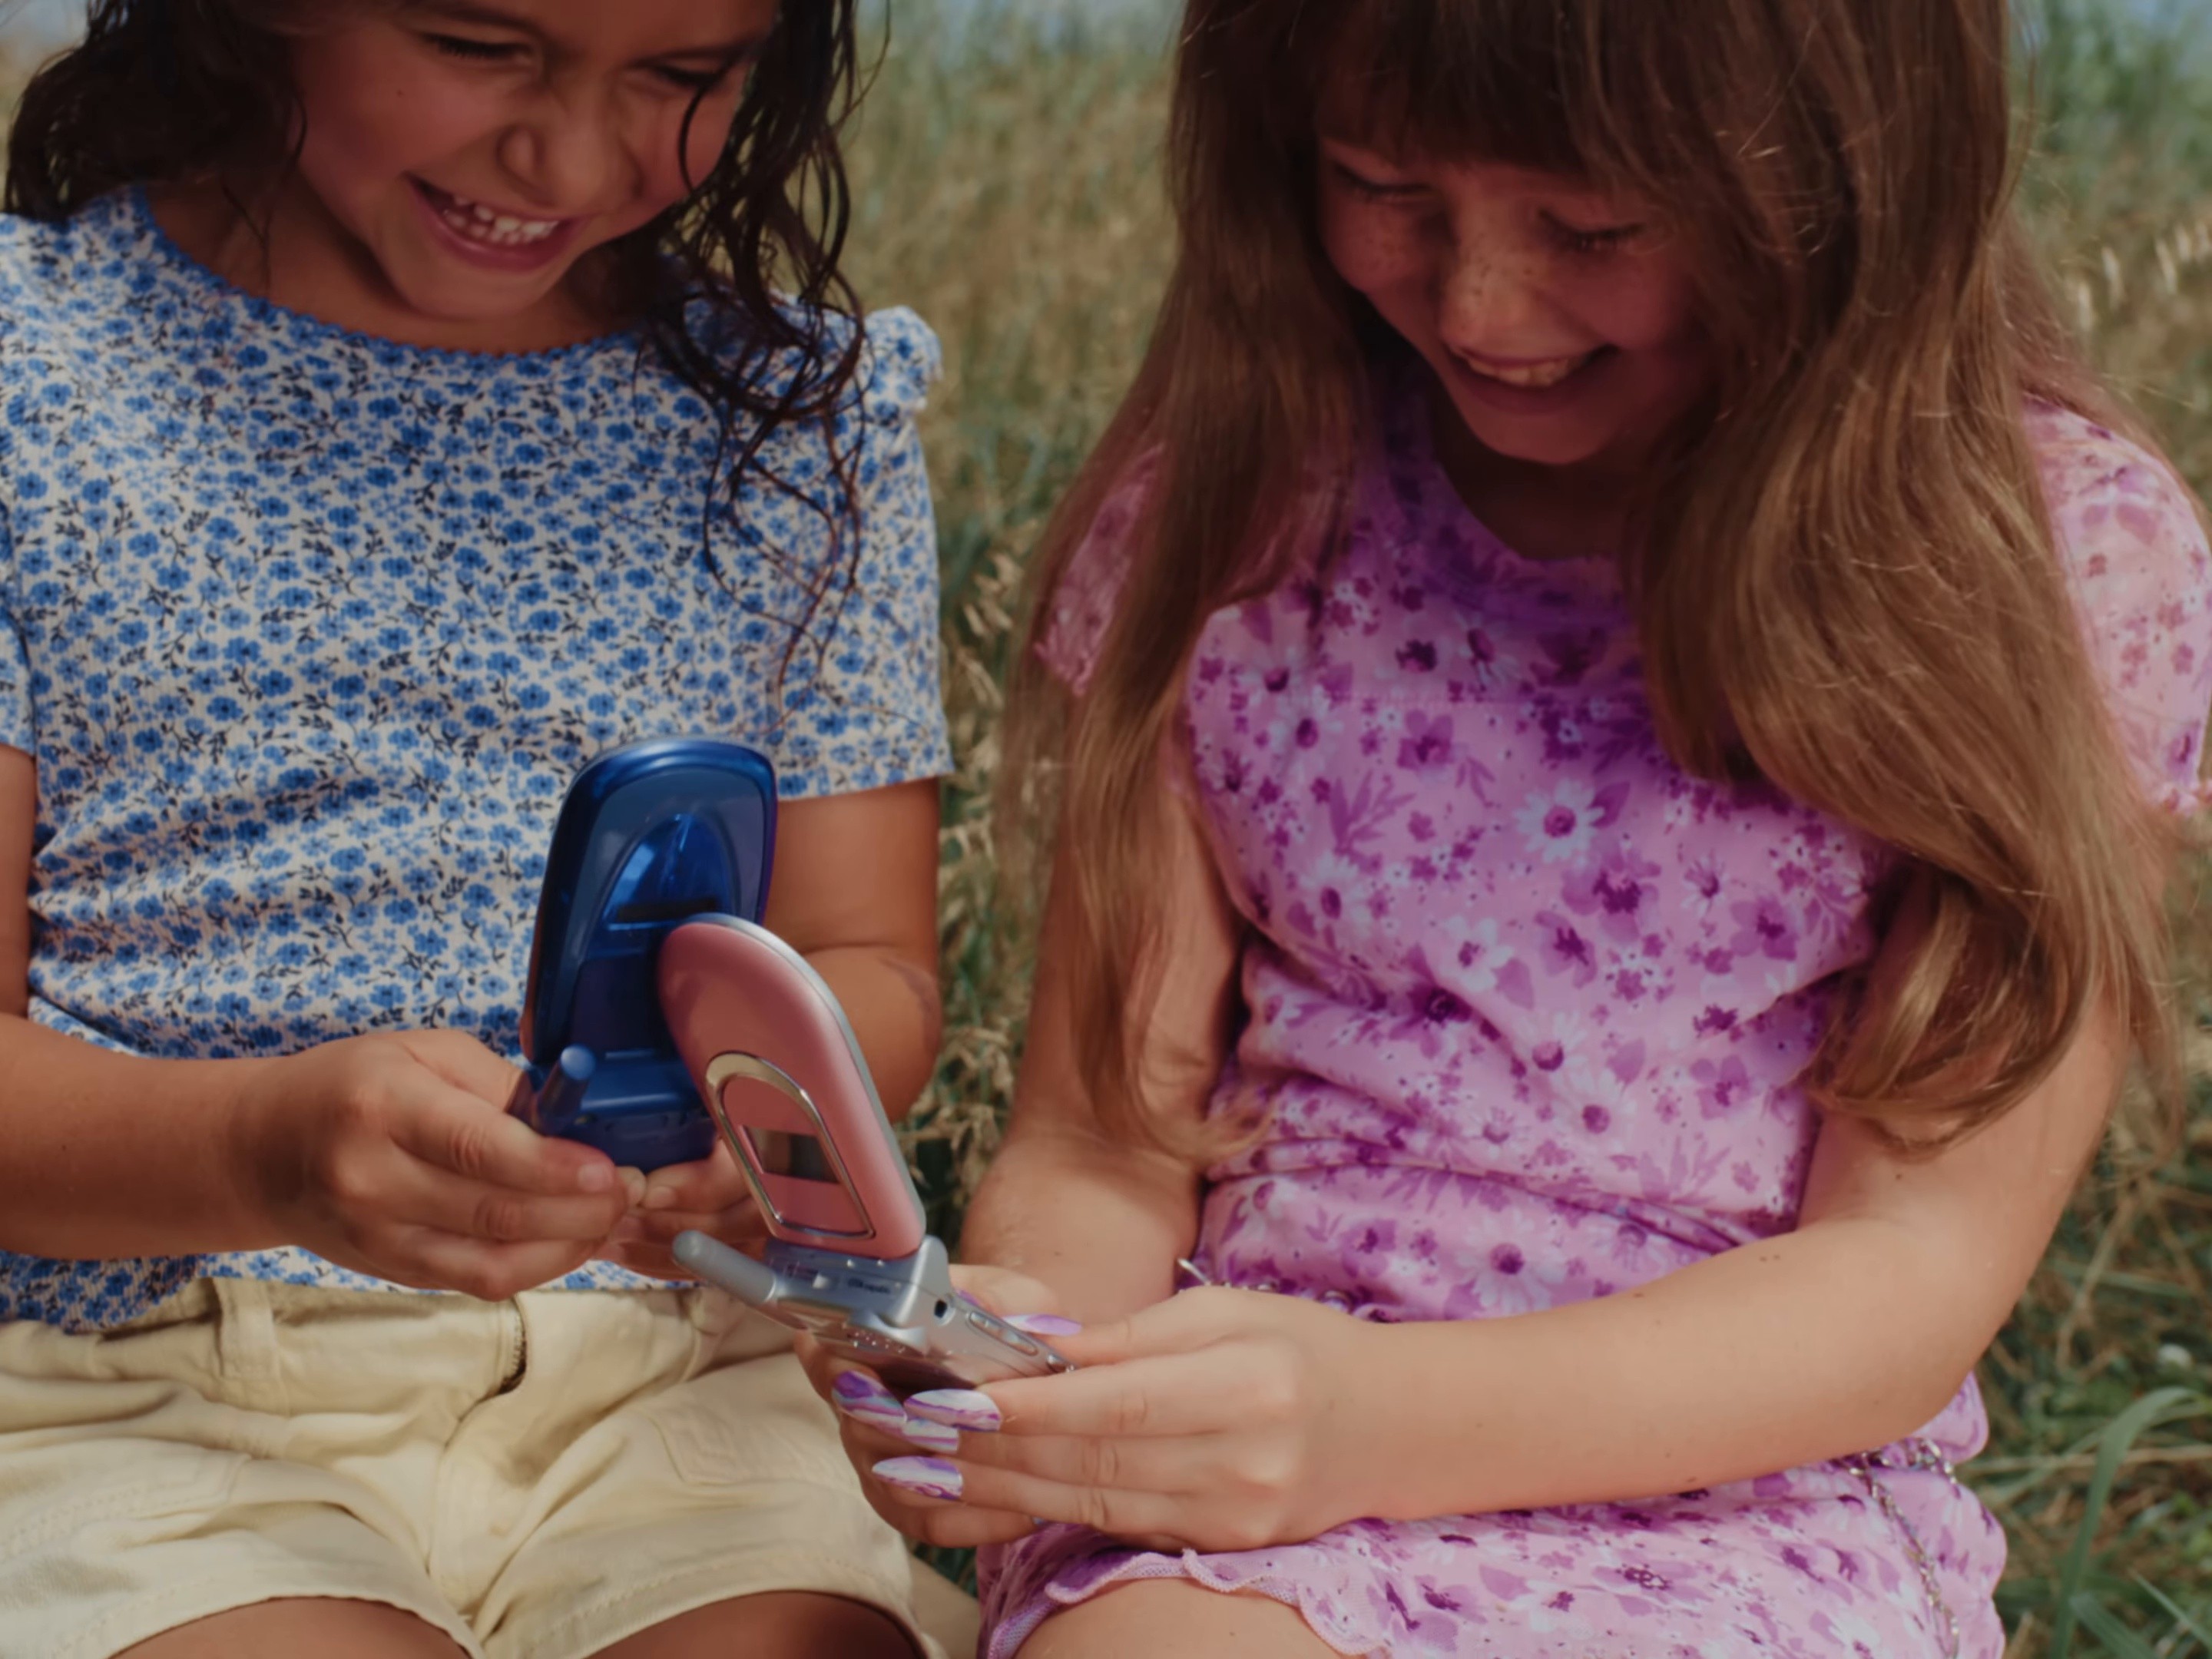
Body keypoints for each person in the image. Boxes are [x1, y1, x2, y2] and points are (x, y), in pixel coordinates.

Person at [810, 1, 2212, 1654]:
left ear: (1846, 192)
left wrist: (1366, 1417)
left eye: (1593, 226)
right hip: (1238, 1506)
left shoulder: (2045, 574)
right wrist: (1030, 1356)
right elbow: (1106, 1145)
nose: (1480, 302)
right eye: (1383, 186)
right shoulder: (1244, 517)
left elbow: (1906, 1273)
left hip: (1762, 1503)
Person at [0, 3, 962, 1656]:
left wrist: (771, 1129)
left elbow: (872, 965)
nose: (570, 158)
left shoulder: (798, 420)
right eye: (480, 43)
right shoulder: (33, 370)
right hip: (139, 1393)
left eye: (681, 78)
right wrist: (265, 1150)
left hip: (672, 1392)